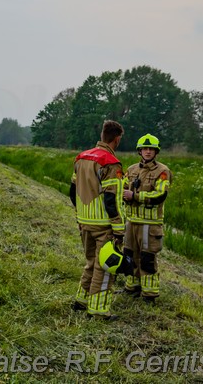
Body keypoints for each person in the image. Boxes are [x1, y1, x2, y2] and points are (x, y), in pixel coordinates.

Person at [70, 120, 125, 320]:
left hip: (84, 220)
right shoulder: (110, 162)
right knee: (105, 267)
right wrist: (119, 229)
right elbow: (111, 200)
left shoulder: (81, 157)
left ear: (102, 135)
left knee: (91, 261)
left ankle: (81, 300)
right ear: (117, 139)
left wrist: (81, 214)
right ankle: (99, 311)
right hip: (103, 224)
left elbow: (72, 191)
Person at [122, 134, 172, 304]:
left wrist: (134, 196)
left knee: (147, 260)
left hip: (150, 225)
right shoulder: (131, 170)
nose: (148, 151)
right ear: (140, 151)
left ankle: (149, 295)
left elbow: (160, 195)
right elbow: (122, 188)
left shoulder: (163, 171)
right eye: (145, 148)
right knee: (129, 256)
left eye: (151, 149)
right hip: (131, 222)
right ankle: (132, 287)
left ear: (156, 151)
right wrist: (122, 195)